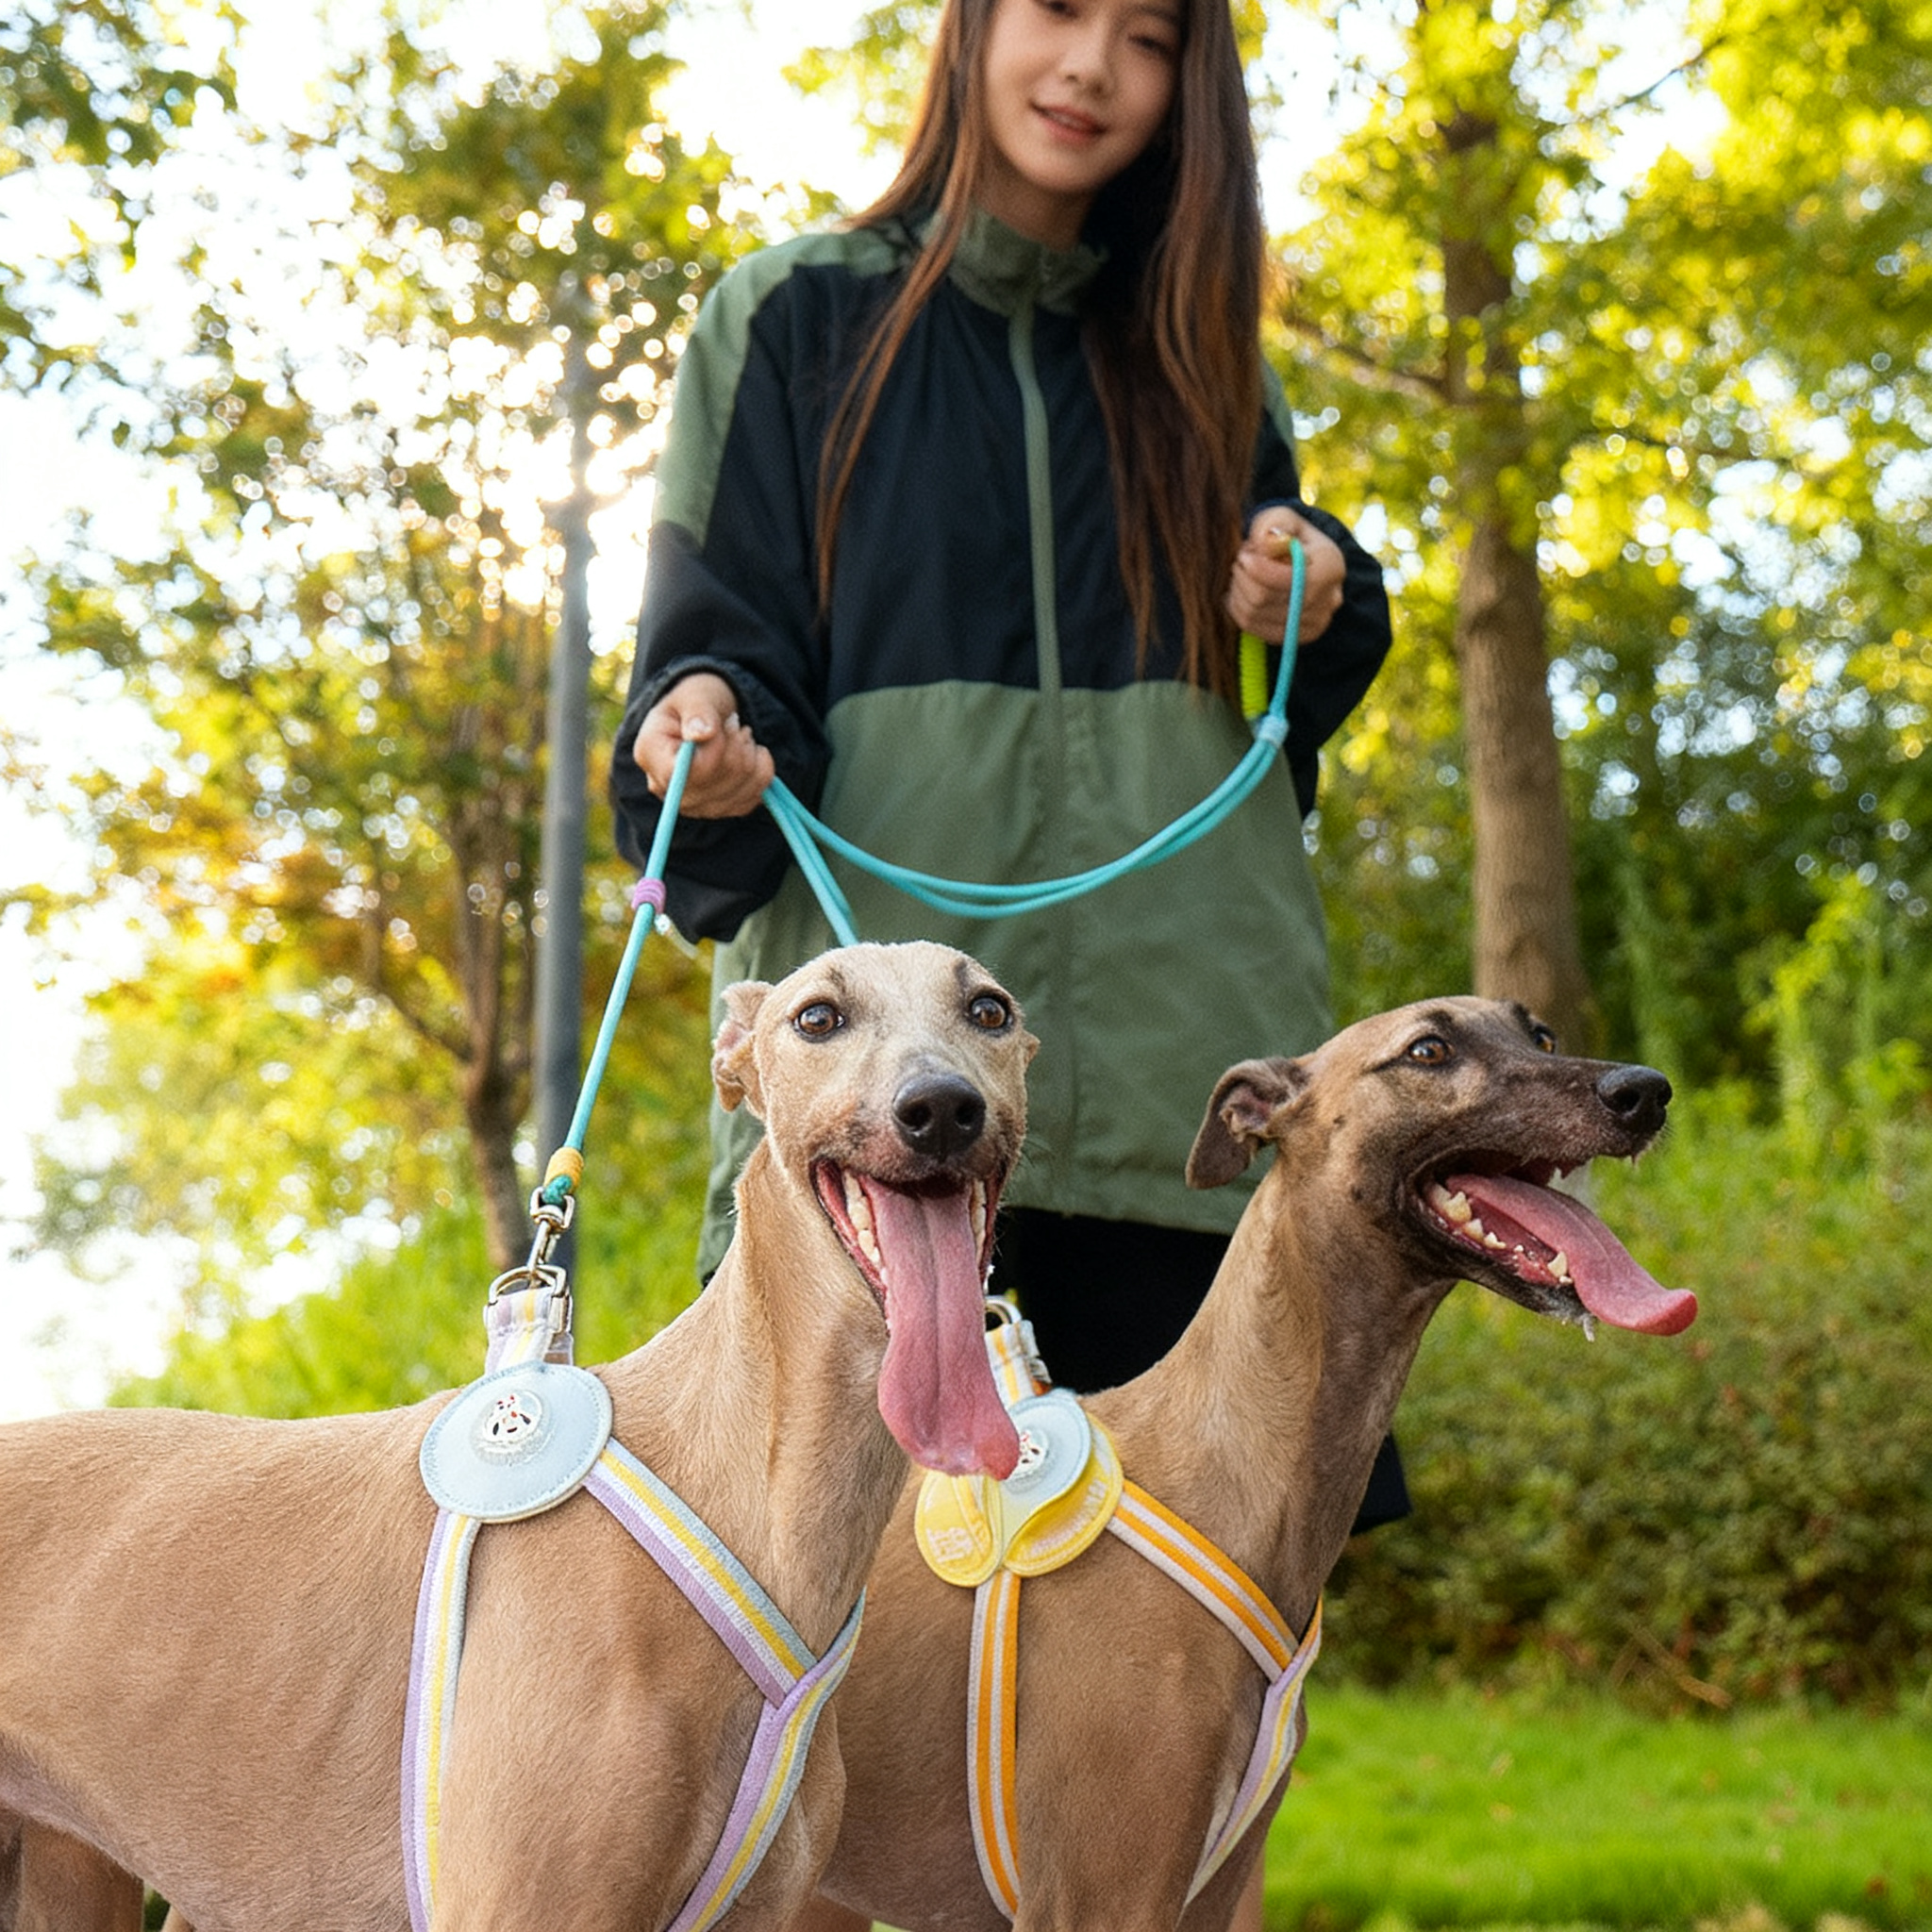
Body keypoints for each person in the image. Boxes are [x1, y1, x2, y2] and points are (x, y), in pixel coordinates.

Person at [612, 0, 1403, 1486]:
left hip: (1186, 1074)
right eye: (1055, 9)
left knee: (1189, 1651)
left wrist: (1311, 594)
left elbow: (1277, 720)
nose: (1094, 64)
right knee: (841, 1614)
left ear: (1192, 85)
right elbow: (710, 643)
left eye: (1151, 35)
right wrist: (703, 733)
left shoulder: (1206, 357)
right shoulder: (788, 316)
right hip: (883, 1094)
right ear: (969, 30)